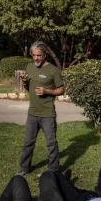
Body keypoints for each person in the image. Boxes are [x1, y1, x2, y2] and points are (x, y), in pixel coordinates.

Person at [18, 41, 65, 176]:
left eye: (39, 55)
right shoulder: (29, 67)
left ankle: (54, 170)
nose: (36, 58)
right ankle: (24, 168)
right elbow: (29, 89)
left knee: (51, 143)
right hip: (32, 113)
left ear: (45, 55)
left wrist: (47, 91)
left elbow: (61, 90)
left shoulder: (53, 70)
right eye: (34, 55)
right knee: (28, 142)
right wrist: (25, 81)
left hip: (47, 114)